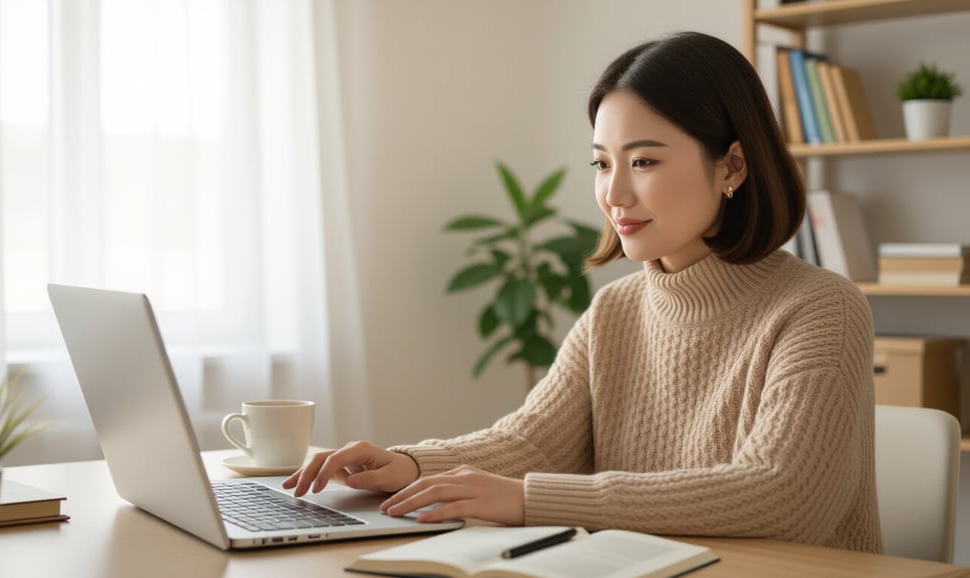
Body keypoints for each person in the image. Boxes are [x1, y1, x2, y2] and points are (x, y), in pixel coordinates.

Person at [284, 30, 882, 553]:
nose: (614, 194)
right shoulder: (615, 310)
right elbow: (530, 441)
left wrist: (528, 501)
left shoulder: (820, 308)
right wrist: (410, 464)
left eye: (643, 161)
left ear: (732, 167)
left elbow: (784, 494)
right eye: (602, 164)